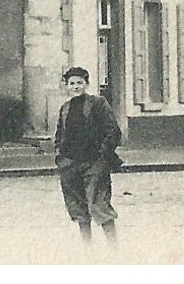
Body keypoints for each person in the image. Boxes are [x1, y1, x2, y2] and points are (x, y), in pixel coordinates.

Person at [54, 66, 123, 245]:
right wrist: (60, 157)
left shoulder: (98, 103)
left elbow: (113, 131)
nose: (76, 87)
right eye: (72, 83)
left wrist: (102, 155)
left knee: (99, 204)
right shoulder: (65, 108)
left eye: (79, 83)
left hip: (94, 163)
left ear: (87, 84)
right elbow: (60, 134)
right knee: (78, 207)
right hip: (70, 164)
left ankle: (114, 248)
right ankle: (88, 249)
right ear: (66, 86)